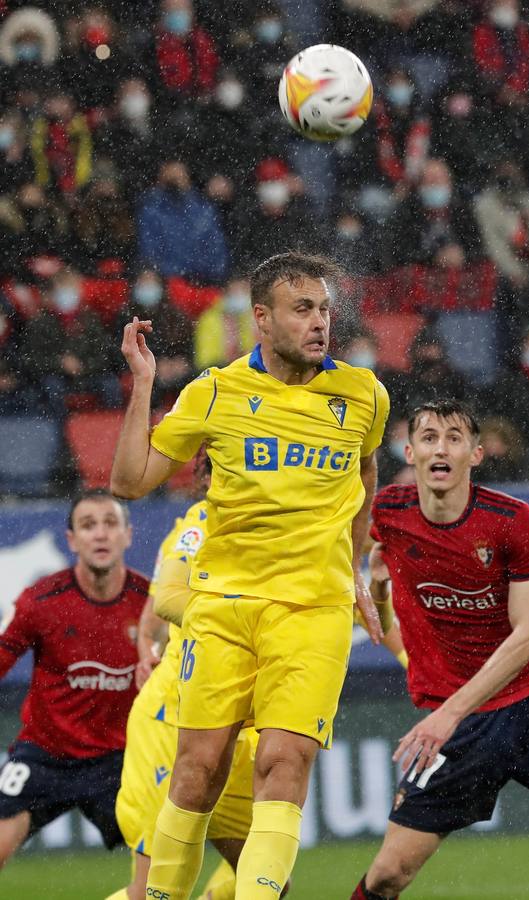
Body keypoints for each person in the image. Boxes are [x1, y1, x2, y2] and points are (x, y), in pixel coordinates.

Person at [110, 250, 390, 899]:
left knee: (283, 762)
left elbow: (366, 473)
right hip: (225, 606)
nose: (320, 322)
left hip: (313, 612)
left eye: (324, 308)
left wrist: (354, 566)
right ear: (261, 318)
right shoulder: (215, 392)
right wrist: (144, 383)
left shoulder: (363, 394)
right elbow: (127, 481)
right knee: (197, 772)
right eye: (302, 309)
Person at [350, 399, 529, 900]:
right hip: (461, 726)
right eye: (428, 437)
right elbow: (366, 600)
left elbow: (527, 636)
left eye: (454, 438)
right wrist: (376, 590)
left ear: (476, 454)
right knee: (386, 876)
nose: (440, 448)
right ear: (410, 451)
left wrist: (448, 713)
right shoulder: (386, 515)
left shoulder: (512, 521)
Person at [109, 454, 275, 900]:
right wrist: (153, 654)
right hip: (172, 723)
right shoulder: (197, 527)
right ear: (206, 479)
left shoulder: (277, 531)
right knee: (153, 892)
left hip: (231, 724)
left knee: (266, 883)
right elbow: (157, 613)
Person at [0, 489, 149, 869]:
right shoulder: (41, 601)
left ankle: (241, 885)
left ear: (128, 534)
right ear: (72, 540)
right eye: (88, 525)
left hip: (121, 762)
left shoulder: (152, 604)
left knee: (164, 868)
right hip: (45, 755)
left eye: (110, 524)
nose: (100, 534)